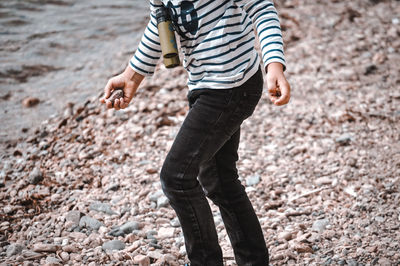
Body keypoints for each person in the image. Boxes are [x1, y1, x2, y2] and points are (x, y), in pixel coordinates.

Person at [100, 0, 290, 265]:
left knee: (176, 178)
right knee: (219, 180)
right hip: (204, 86)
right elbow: (161, 22)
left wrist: (274, 65)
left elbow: (261, 8)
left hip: (232, 85)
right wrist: (131, 77)